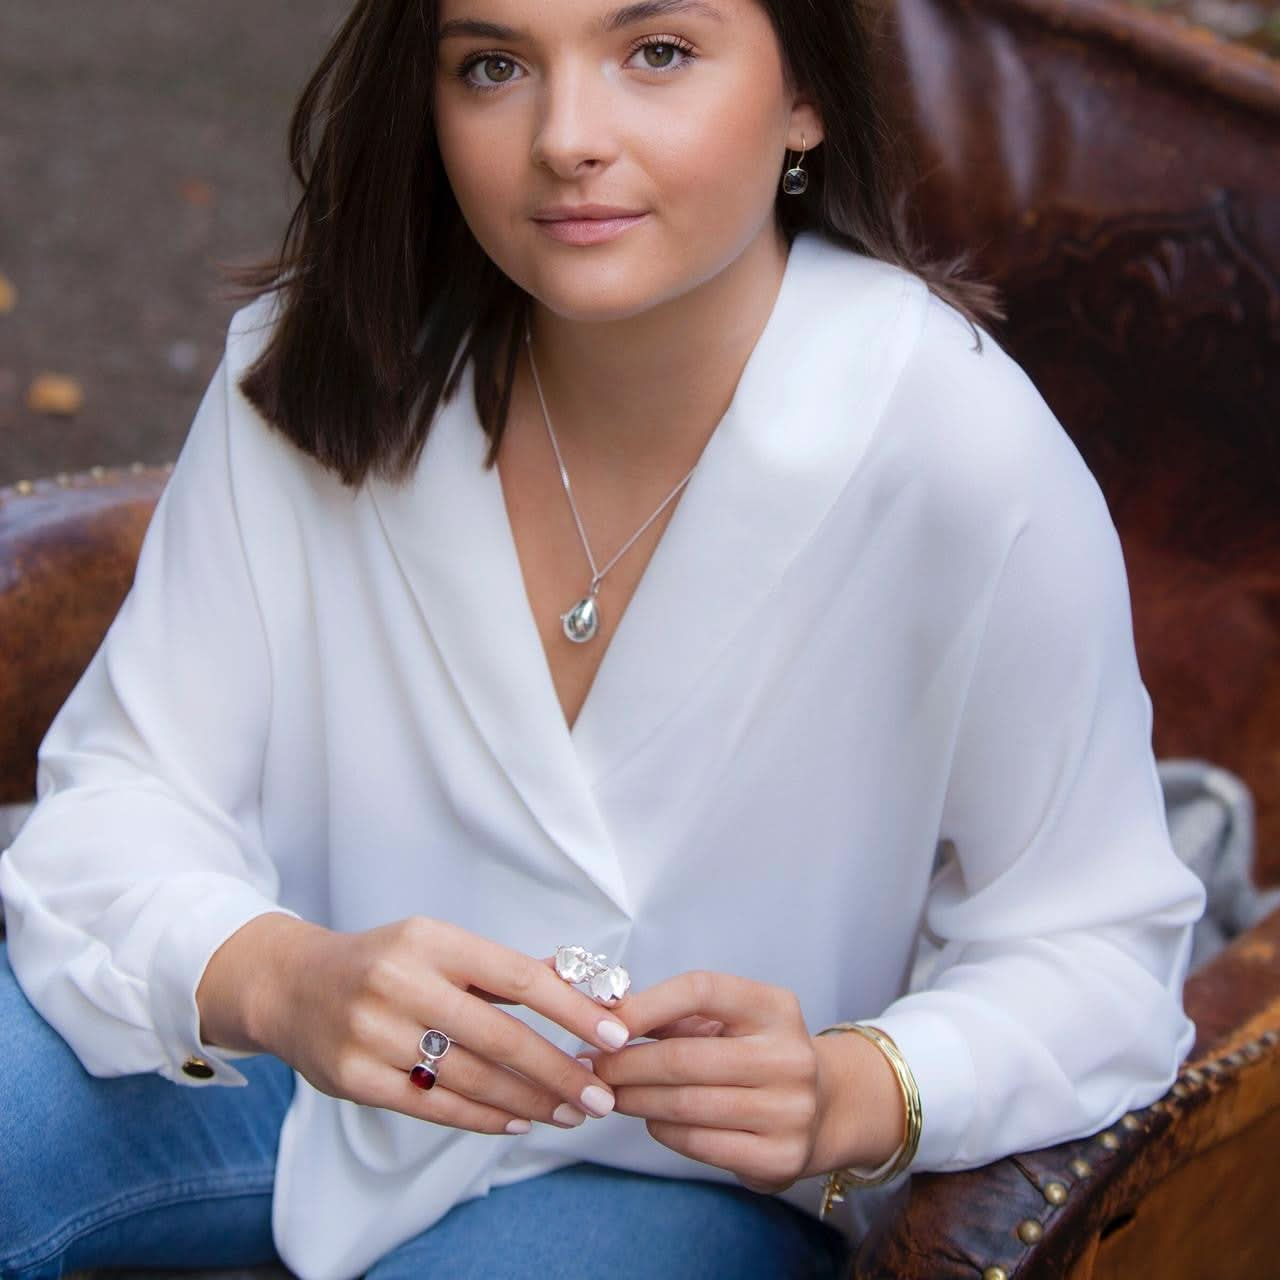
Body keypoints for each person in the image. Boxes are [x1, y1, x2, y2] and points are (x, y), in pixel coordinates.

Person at [0, 0, 1208, 1277]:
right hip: (297, 1072)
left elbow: (1100, 950)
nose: (565, 137)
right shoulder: (315, 361)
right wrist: (280, 976)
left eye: (658, 53)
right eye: (492, 65)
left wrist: (860, 1085)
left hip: (671, 1173)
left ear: (804, 96)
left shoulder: (959, 448)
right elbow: (119, 799)